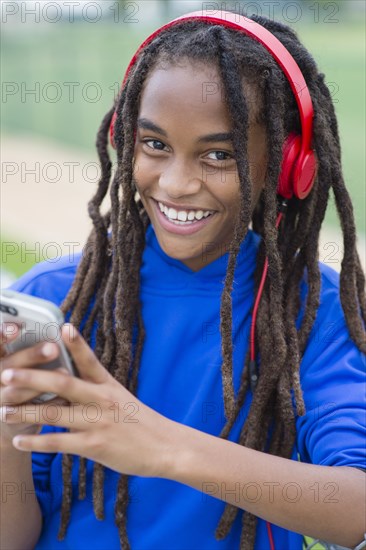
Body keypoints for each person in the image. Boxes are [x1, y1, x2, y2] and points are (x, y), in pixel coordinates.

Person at [1, 9, 365, 550]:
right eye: (155, 145)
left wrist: (161, 447)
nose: (176, 183)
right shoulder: (53, 297)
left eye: (219, 154)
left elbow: (355, 509)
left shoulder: (315, 309)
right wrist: (9, 432)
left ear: (289, 165)